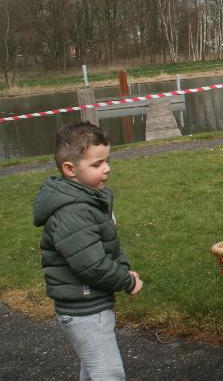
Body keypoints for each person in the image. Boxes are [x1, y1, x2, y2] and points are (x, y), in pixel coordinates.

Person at [33, 122, 143, 381]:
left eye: (107, 161)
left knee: (94, 369)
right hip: (84, 309)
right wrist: (126, 280)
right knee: (107, 373)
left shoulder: (87, 199)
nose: (106, 169)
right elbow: (91, 265)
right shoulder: (73, 212)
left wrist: (123, 268)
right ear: (70, 169)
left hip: (90, 303)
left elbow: (105, 245)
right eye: (96, 164)